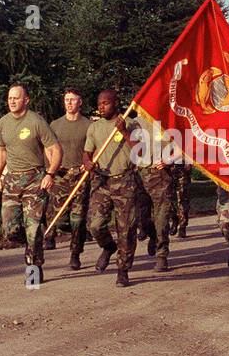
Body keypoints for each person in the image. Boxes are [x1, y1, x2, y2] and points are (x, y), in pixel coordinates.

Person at [0, 84, 62, 283]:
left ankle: (33, 270)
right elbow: (1, 150)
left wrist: (50, 174)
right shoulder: (3, 123)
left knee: (32, 228)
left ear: (26, 100)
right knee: (10, 230)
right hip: (12, 181)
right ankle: (34, 243)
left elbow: (56, 149)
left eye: (16, 98)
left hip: (35, 180)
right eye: (9, 98)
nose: (12, 101)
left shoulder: (36, 121)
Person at [83, 90, 142, 287]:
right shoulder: (94, 127)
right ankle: (108, 247)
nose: (101, 107)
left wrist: (124, 132)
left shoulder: (131, 123)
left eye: (106, 103)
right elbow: (87, 153)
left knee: (126, 228)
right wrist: (88, 163)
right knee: (95, 225)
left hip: (124, 180)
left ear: (116, 103)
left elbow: (140, 151)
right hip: (102, 181)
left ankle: (123, 270)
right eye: (99, 103)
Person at [46, 88, 91, 269]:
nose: (69, 103)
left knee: (78, 218)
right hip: (60, 175)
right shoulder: (55, 125)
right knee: (58, 215)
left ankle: (75, 253)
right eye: (66, 100)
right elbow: (48, 147)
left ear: (80, 102)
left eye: (73, 100)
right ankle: (51, 235)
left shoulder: (88, 125)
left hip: (80, 176)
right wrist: (52, 165)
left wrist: (87, 163)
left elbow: (94, 148)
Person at [134, 123, 175, 272]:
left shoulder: (167, 121)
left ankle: (162, 255)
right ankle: (152, 234)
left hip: (160, 175)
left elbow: (184, 145)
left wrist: (170, 158)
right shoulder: (134, 122)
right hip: (138, 175)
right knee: (140, 217)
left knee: (162, 217)